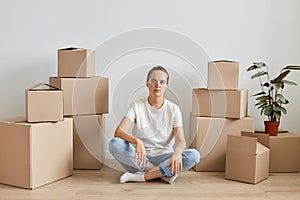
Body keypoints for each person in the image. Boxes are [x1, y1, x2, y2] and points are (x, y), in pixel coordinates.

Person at [109, 66, 200, 184]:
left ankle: (141, 177)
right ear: (147, 84)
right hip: (140, 158)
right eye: (153, 81)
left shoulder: (173, 109)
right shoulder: (137, 106)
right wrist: (137, 141)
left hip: (165, 157)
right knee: (114, 144)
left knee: (193, 155)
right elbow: (118, 132)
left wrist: (177, 154)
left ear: (166, 86)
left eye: (162, 82)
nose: (158, 85)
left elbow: (181, 140)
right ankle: (161, 173)